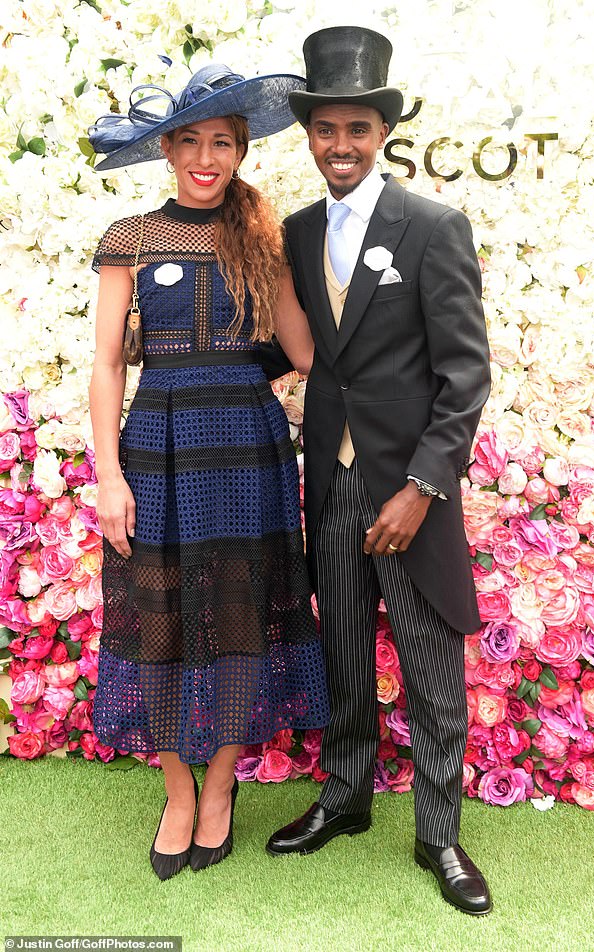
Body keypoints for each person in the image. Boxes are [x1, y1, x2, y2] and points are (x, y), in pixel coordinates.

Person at [266, 27, 493, 916]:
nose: (341, 146)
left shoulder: (432, 226)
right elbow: (308, 350)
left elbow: (465, 373)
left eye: (356, 129)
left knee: (434, 667)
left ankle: (439, 832)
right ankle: (346, 797)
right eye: (326, 131)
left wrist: (422, 486)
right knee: (345, 654)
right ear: (312, 136)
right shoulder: (297, 230)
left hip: (412, 489)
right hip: (332, 477)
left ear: (381, 132)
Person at [87, 64, 330, 881]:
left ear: (239, 150)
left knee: (236, 611)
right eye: (189, 140)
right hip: (155, 444)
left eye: (220, 142)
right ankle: (178, 794)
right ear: (166, 147)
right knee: (158, 612)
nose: (204, 156)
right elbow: (107, 366)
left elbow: (302, 354)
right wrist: (108, 475)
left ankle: (220, 788)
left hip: (245, 449)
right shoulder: (129, 236)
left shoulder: (264, 240)